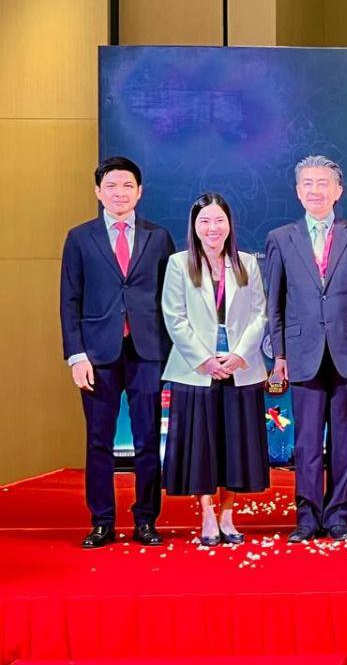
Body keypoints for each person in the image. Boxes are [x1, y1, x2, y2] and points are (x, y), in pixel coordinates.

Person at [60, 156, 175, 548]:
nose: (119, 193)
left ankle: (146, 520)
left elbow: (170, 299)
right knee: (98, 440)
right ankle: (102, 521)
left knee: (148, 439)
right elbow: (69, 300)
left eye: (127, 186)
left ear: (139, 192)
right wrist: (76, 355)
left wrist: (170, 354)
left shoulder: (158, 237)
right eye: (111, 185)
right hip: (97, 355)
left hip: (147, 351)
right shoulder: (80, 238)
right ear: (98, 192)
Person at [265, 155, 347, 543]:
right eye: (308, 184)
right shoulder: (281, 238)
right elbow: (274, 303)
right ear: (298, 192)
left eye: (323, 183)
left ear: (338, 190)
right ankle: (307, 516)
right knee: (307, 440)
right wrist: (279, 355)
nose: (315, 190)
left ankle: (339, 516)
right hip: (301, 351)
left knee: (344, 439)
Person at [161, 193, 270, 547]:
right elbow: (174, 317)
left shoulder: (246, 263)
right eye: (205, 221)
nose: (213, 228)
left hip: (240, 369)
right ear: (194, 226)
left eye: (219, 220)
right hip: (196, 371)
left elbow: (260, 314)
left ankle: (227, 515)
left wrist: (239, 354)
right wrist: (204, 360)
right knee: (201, 447)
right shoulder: (179, 264)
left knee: (235, 447)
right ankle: (207, 513)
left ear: (229, 224)